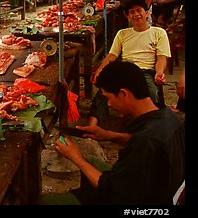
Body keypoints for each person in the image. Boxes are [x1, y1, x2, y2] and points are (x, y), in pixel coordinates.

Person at [40, 61, 185, 205]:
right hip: (157, 187)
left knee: (47, 201)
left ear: (123, 93)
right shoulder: (169, 117)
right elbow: (148, 145)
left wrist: (75, 157)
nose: (108, 105)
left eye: (109, 98)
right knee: (92, 162)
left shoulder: (146, 141)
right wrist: (109, 135)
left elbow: (113, 191)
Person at [89, 0, 170, 126]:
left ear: (146, 13)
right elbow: (111, 56)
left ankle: (150, 126)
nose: (136, 14)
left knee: (151, 93)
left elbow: (161, 57)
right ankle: (92, 125)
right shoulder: (122, 33)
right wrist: (100, 70)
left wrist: (159, 73)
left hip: (145, 72)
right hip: (125, 71)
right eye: (132, 12)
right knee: (103, 90)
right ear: (127, 16)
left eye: (139, 11)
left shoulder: (159, 33)